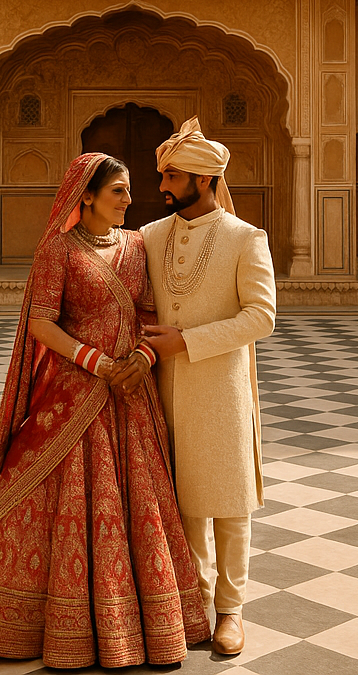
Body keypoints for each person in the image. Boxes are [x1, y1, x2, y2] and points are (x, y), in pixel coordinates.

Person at [0, 152, 210, 669]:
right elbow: (42, 323)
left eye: (130, 191)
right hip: (73, 391)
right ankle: (35, 621)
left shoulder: (136, 247)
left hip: (130, 395)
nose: (128, 200)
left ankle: (136, 623)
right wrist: (96, 362)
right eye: (118, 191)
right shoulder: (59, 252)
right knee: (33, 496)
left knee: (136, 507)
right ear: (85, 195)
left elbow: (150, 312)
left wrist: (141, 356)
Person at [139, 117, 277, 657]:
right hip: (162, 386)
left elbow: (262, 317)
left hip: (220, 386)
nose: (163, 187)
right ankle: (193, 605)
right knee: (184, 500)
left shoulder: (246, 238)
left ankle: (231, 611)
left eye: (172, 176)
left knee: (229, 500)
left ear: (203, 179)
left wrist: (188, 341)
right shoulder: (151, 236)